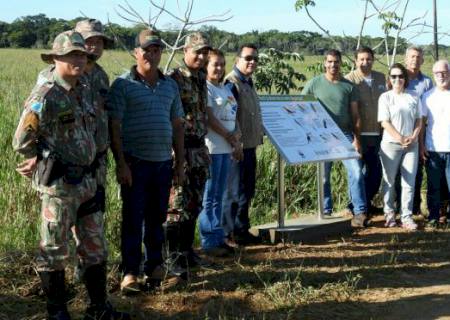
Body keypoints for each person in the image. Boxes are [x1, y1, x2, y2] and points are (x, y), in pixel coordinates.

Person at [13, 31, 128, 320]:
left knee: (95, 247)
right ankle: (58, 311)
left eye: (82, 55)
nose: (79, 60)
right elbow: (21, 140)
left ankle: (99, 308)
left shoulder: (84, 88)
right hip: (60, 187)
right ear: (56, 59)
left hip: (89, 182)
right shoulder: (46, 94)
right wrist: (41, 157)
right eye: (72, 55)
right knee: (54, 250)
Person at [107, 29, 185, 293]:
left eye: (156, 50)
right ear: (135, 53)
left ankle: (155, 266)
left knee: (156, 218)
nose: (151, 55)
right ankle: (130, 272)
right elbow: (114, 127)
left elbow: (177, 125)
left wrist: (180, 163)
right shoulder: (122, 85)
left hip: (163, 162)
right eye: (146, 50)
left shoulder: (170, 86)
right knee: (132, 218)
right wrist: (121, 163)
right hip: (135, 163)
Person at [301, 49, 368, 228]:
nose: (333, 65)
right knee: (323, 177)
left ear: (340, 63)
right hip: (321, 136)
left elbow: (355, 115)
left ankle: (360, 212)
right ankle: (326, 211)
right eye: (330, 62)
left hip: (345, 136)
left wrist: (357, 139)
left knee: (356, 172)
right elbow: (300, 106)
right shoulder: (314, 84)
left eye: (336, 62)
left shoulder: (348, 86)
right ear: (325, 63)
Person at [166, 32, 211, 268]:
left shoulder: (201, 77)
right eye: (197, 52)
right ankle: (173, 257)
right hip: (181, 149)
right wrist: (177, 154)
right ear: (185, 51)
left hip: (199, 149)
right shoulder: (173, 79)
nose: (201, 57)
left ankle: (186, 252)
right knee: (176, 206)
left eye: (205, 52)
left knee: (194, 203)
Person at [198, 48, 242, 256]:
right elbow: (208, 118)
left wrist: (236, 141)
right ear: (206, 65)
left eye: (222, 64)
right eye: (215, 64)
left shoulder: (225, 88)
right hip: (212, 147)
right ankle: (208, 240)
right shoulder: (205, 88)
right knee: (210, 194)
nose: (219, 68)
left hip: (227, 148)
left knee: (220, 193)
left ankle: (218, 236)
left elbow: (233, 115)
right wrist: (228, 135)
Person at [223, 43, 264, 245]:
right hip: (235, 147)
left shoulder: (248, 82)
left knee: (247, 189)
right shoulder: (231, 83)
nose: (252, 62)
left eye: (255, 58)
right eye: (248, 58)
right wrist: (236, 143)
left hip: (250, 145)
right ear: (237, 59)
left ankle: (242, 229)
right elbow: (229, 117)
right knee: (234, 191)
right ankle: (228, 234)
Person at [378, 63, 422, 230]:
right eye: (394, 76)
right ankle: (389, 214)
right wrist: (400, 138)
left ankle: (406, 216)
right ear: (389, 79)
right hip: (391, 145)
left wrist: (414, 136)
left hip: (412, 146)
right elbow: (384, 122)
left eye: (400, 76)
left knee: (408, 182)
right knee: (389, 181)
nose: (397, 79)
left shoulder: (414, 96)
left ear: (405, 78)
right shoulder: (385, 97)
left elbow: (419, 120)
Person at [345, 47, 386, 214]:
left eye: (368, 59)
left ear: (373, 60)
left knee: (376, 172)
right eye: (361, 59)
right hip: (358, 135)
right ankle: (355, 206)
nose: (365, 62)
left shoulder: (381, 78)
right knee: (357, 173)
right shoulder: (349, 80)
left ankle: (366, 201)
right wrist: (355, 136)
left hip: (378, 134)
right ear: (355, 61)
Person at [398, 46, 434, 216]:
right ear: (406, 59)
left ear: (423, 60)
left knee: (417, 170)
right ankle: (399, 207)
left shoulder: (427, 82)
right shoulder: (398, 78)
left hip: (420, 132)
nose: (415, 60)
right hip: (398, 132)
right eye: (412, 56)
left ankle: (415, 207)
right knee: (397, 171)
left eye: (418, 57)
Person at [421, 60, 450, 227]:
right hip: (433, 149)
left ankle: (446, 216)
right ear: (433, 75)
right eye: (437, 73)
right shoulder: (427, 96)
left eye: (444, 72)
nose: (441, 75)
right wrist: (422, 146)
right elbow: (422, 123)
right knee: (433, 187)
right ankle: (432, 217)